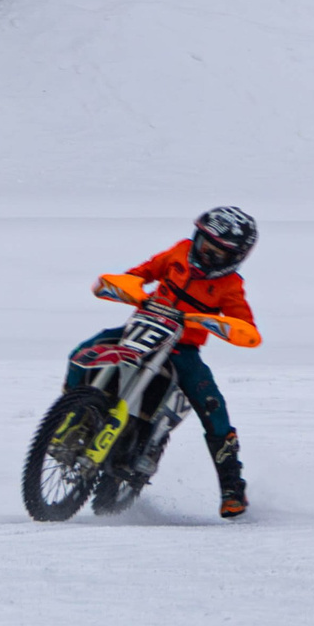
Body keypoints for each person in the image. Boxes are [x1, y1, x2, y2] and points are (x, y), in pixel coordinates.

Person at [65, 207, 258, 518]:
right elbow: (143, 272)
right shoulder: (179, 252)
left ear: (235, 257)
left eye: (218, 251)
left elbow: (244, 324)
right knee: (85, 351)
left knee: (212, 404)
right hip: (141, 328)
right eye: (205, 242)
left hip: (181, 348)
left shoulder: (230, 285)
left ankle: (233, 487)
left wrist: (231, 328)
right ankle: (70, 417)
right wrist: (126, 284)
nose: (207, 253)